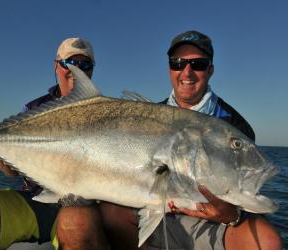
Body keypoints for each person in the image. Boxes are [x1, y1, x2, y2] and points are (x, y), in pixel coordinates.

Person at [57, 31, 282, 250]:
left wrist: (231, 215)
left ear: (210, 70)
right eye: (178, 63)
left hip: (213, 225)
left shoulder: (233, 125)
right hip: (161, 216)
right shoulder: (151, 114)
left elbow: (244, 205)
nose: (187, 72)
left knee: (266, 242)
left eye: (198, 64)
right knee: (110, 213)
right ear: (169, 69)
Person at [0, 37, 96, 250]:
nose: (76, 69)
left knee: (77, 222)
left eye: (85, 64)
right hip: (33, 200)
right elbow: (11, 172)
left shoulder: (105, 112)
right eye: (69, 63)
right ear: (56, 65)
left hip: (79, 205)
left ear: (91, 71)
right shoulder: (33, 109)